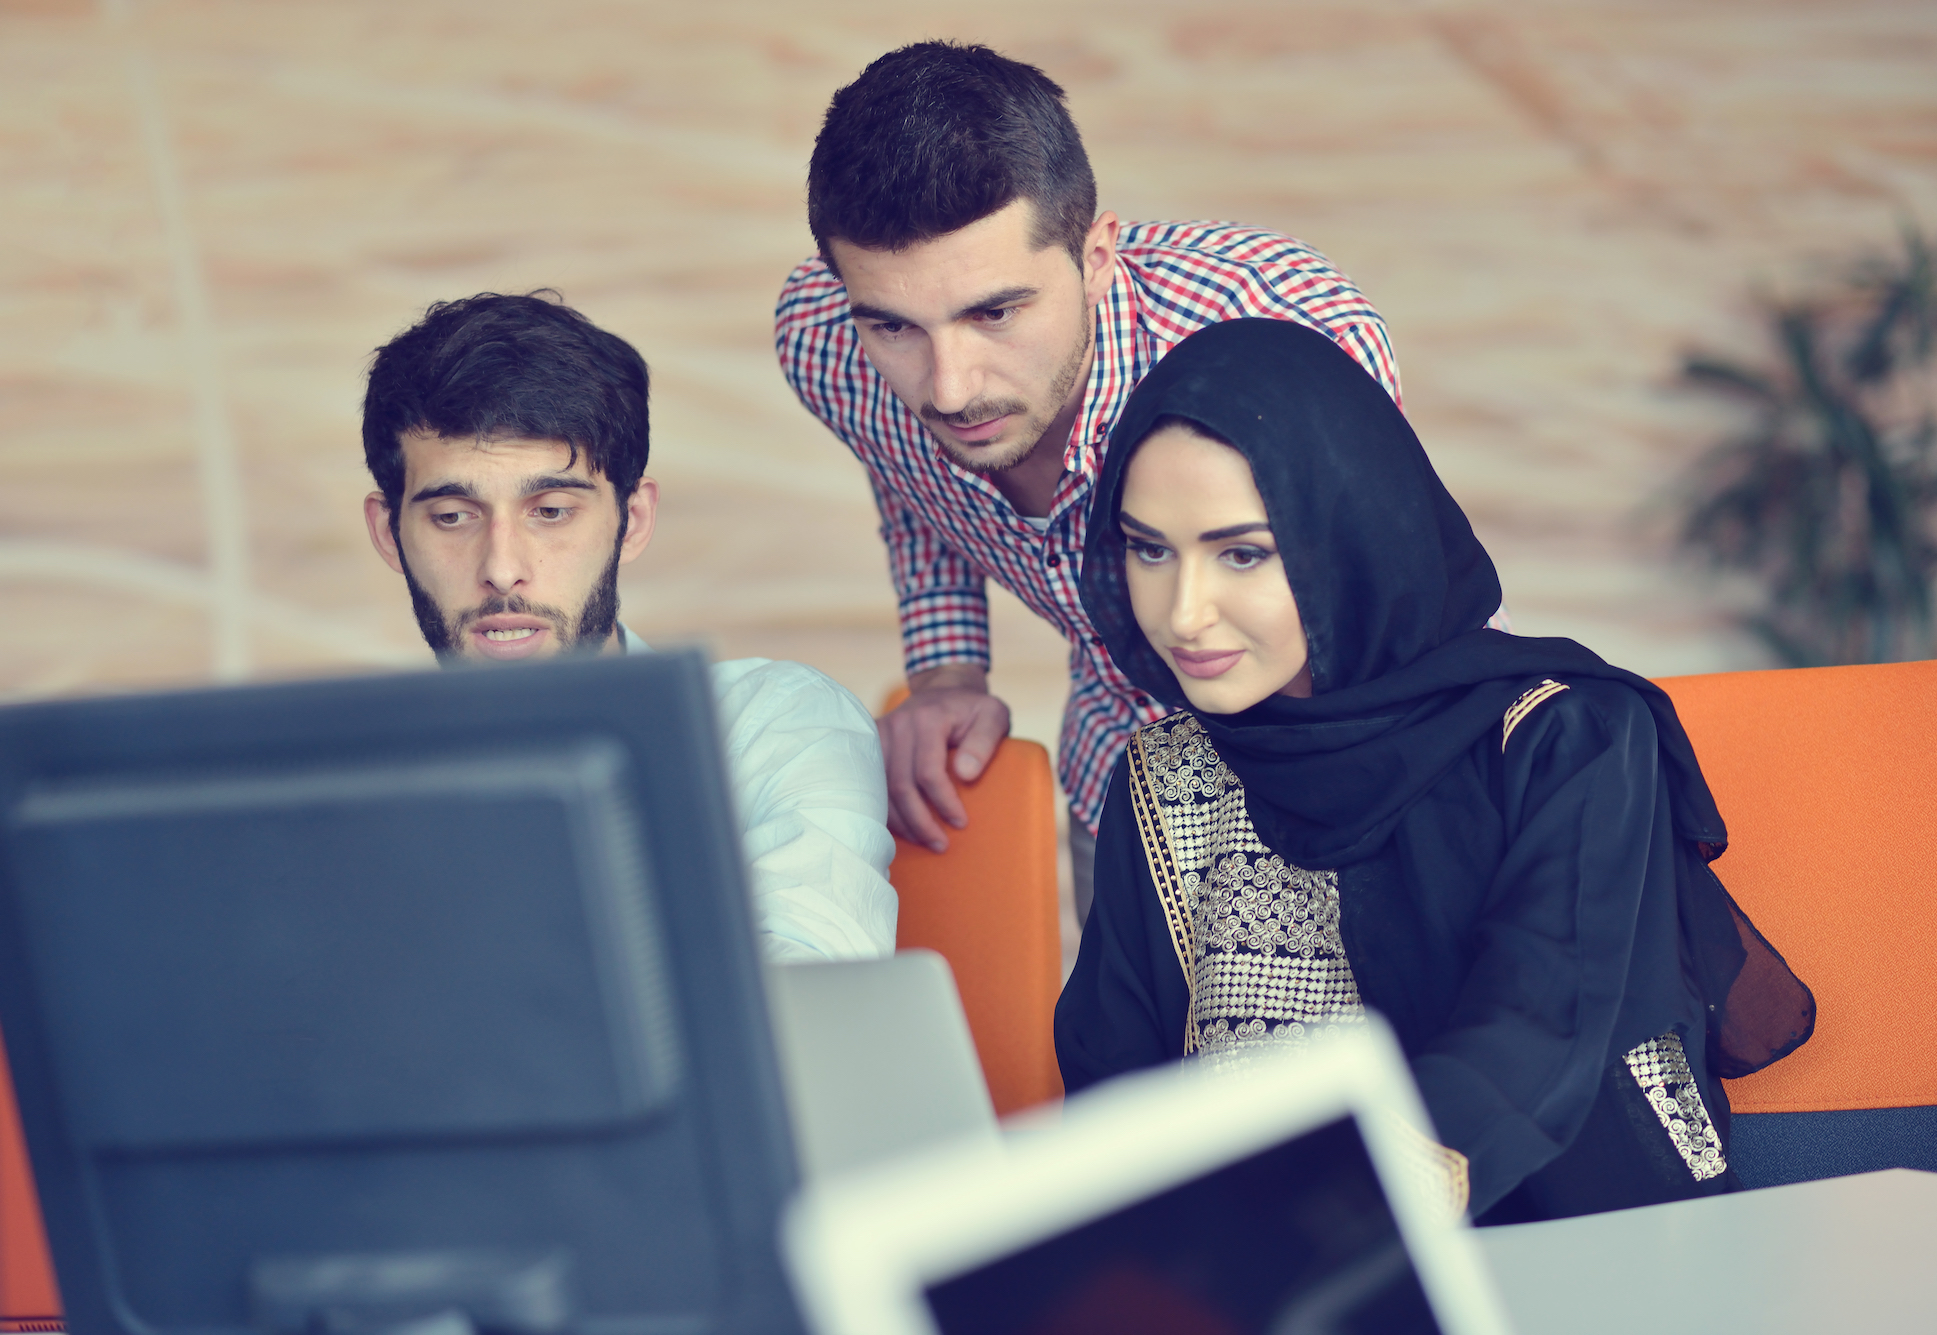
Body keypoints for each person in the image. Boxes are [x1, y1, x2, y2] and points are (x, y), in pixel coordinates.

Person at [1053, 319, 1815, 1223]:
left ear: (1350, 537)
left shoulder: (1565, 735)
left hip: (1584, 1241)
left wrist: (1343, 1231)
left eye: (1243, 553)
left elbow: (1536, 1025)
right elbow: (1115, 1085)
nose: (1182, 612)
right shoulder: (1161, 776)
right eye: (1149, 548)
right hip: (1272, 1278)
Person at [778, 41, 1470, 923]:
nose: (948, 387)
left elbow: (1381, 591)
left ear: (1097, 255)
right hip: (1124, 783)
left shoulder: (1282, 325)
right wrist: (948, 673)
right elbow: (911, 477)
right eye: (896, 327)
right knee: (1126, 1063)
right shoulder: (826, 342)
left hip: (1377, 777)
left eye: (995, 312)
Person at [361, 291, 896, 963]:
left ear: (632, 520)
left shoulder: (766, 727)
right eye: (453, 517)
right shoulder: (336, 786)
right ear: (389, 532)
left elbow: (810, 993)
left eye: (551, 511)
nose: (501, 569)